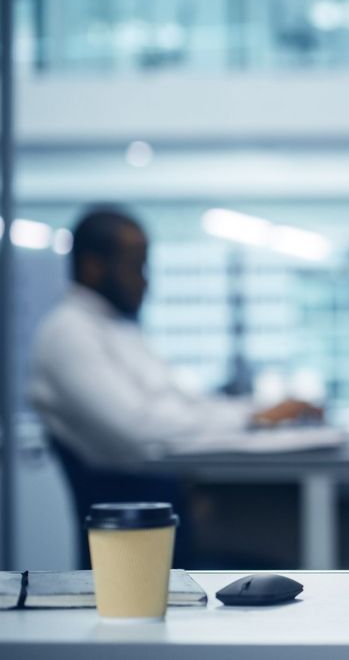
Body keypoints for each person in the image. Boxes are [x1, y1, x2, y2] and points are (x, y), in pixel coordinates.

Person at [27, 207, 321, 564]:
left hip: (168, 511)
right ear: (93, 266)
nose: (146, 281)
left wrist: (258, 412)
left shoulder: (119, 330)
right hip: (138, 531)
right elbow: (138, 427)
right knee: (316, 534)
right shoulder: (68, 334)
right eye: (136, 267)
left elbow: (187, 405)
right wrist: (253, 420)